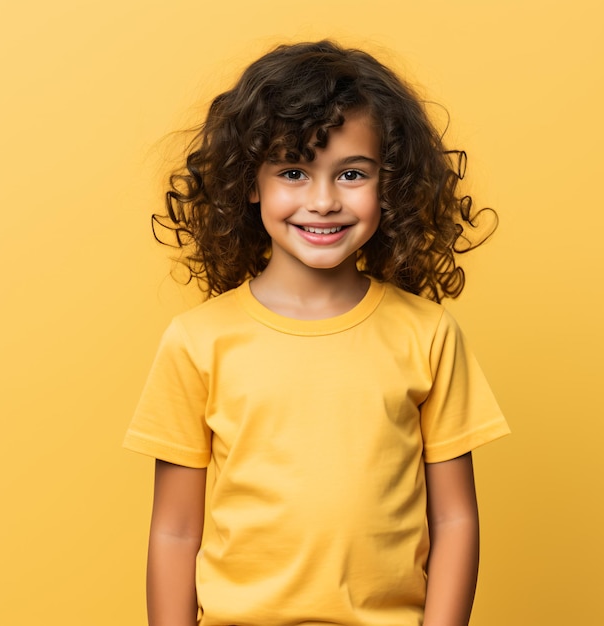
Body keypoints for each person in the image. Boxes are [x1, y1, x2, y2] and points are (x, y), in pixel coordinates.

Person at [124, 40, 510, 626]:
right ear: (250, 182)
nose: (323, 201)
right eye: (294, 172)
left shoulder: (428, 335)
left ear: (391, 183)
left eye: (352, 173)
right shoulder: (197, 341)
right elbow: (176, 531)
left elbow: (455, 519)